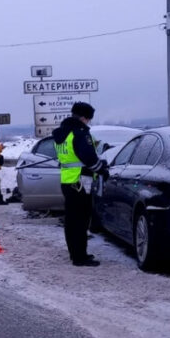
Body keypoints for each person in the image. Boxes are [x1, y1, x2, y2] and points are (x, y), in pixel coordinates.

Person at [52, 102, 108, 266]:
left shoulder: (62, 133)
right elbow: (89, 158)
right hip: (80, 182)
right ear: (83, 118)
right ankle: (80, 257)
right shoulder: (80, 133)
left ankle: (74, 253)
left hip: (67, 180)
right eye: (89, 119)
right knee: (81, 220)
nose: (88, 122)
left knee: (71, 220)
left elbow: (71, 156)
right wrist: (102, 169)